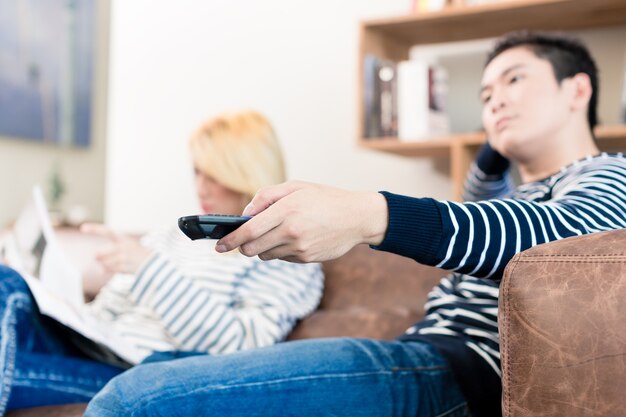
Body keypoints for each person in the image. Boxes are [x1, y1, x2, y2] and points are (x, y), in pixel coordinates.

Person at [84, 32, 626, 417]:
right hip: (419, 357)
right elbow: (491, 206)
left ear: (578, 90)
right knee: (151, 371)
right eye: (484, 96)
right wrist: (496, 151)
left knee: (135, 401)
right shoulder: (513, 190)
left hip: (457, 373)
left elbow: (565, 243)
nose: (496, 101)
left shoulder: (608, 173)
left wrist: (369, 213)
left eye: (514, 80)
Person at [0, 110, 323, 414]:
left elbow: (243, 350)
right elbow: (107, 312)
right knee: (9, 281)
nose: (200, 187)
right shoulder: (174, 236)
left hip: (136, 373)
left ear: (245, 173)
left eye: (214, 175)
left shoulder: (284, 254)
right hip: (90, 347)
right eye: (197, 171)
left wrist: (149, 270)